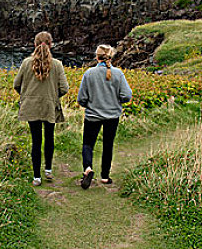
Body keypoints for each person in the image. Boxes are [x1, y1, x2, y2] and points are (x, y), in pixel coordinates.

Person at [14, 31, 69, 186]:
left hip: (31, 107)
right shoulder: (57, 64)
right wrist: (53, 96)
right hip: (49, 106)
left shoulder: (26, 63)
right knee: (49, 138)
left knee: (36, 141)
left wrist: (26, 95)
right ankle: (49, 170)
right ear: (51, 44)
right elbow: (64, 88)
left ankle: (36, 177)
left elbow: (16, 84)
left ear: (34, 44)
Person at [77, 44, 132, 189]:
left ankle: (87, 169)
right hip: (112, 116)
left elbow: (81, 99)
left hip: (92, 115)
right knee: (108, 145)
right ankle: (105, 177)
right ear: (111, 57)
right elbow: (127, 95)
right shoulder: (118, 74)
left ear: (97, 57)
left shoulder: (89, 74)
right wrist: (116, 101)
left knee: (88, 144)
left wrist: (90, 104)